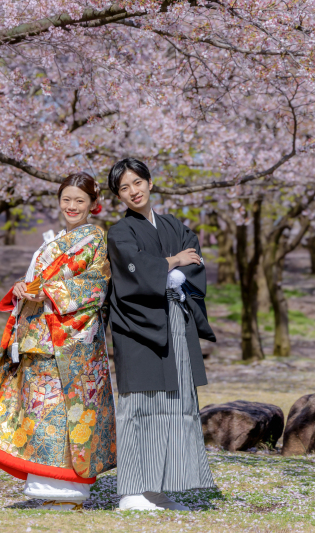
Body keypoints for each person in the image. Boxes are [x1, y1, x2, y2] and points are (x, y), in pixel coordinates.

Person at [0, 172, 116, 511]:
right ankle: (46, 489)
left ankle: (69, 494)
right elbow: (34, 282)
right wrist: (22, 289)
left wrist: (46, 291)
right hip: (37, 338)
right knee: (38, 415)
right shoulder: (51, 243)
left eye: (79, 200)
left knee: (64, 417)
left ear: (93, 205)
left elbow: (96, 286)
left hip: (67, 342)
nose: (71, 206)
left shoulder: (94, 239)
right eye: (66, 199)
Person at [105, 158, 217, 511]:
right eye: (124, 188)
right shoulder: (119, 233)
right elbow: (131, 270)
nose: (133, 191)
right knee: (139, 404)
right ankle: (133, 491)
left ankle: (161, 489)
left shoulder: (174, 226)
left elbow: (194, 260)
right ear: (119, 197)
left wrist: (180, 276)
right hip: (138, 328)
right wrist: (170, 264)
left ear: (150, 183)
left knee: (177, 404)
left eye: (137, 182)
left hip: (176, 320)